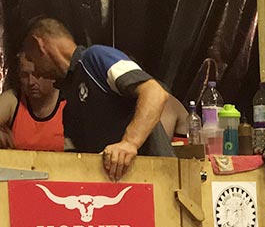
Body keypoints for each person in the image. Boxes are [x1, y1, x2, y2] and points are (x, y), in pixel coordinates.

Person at [21, 16, 174, 181]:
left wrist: (129, 143)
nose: (36, 71)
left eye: (31, 59)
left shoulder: (96, 58)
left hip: (156, 181)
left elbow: (154, 92)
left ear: (39, 45)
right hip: (117, 187)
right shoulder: (70, 98)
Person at [0, 53, 65, 151]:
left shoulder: (70, 103)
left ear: (53, 75)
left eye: (37, 75)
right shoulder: (13, 100)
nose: (31, 82)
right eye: (25, 75)